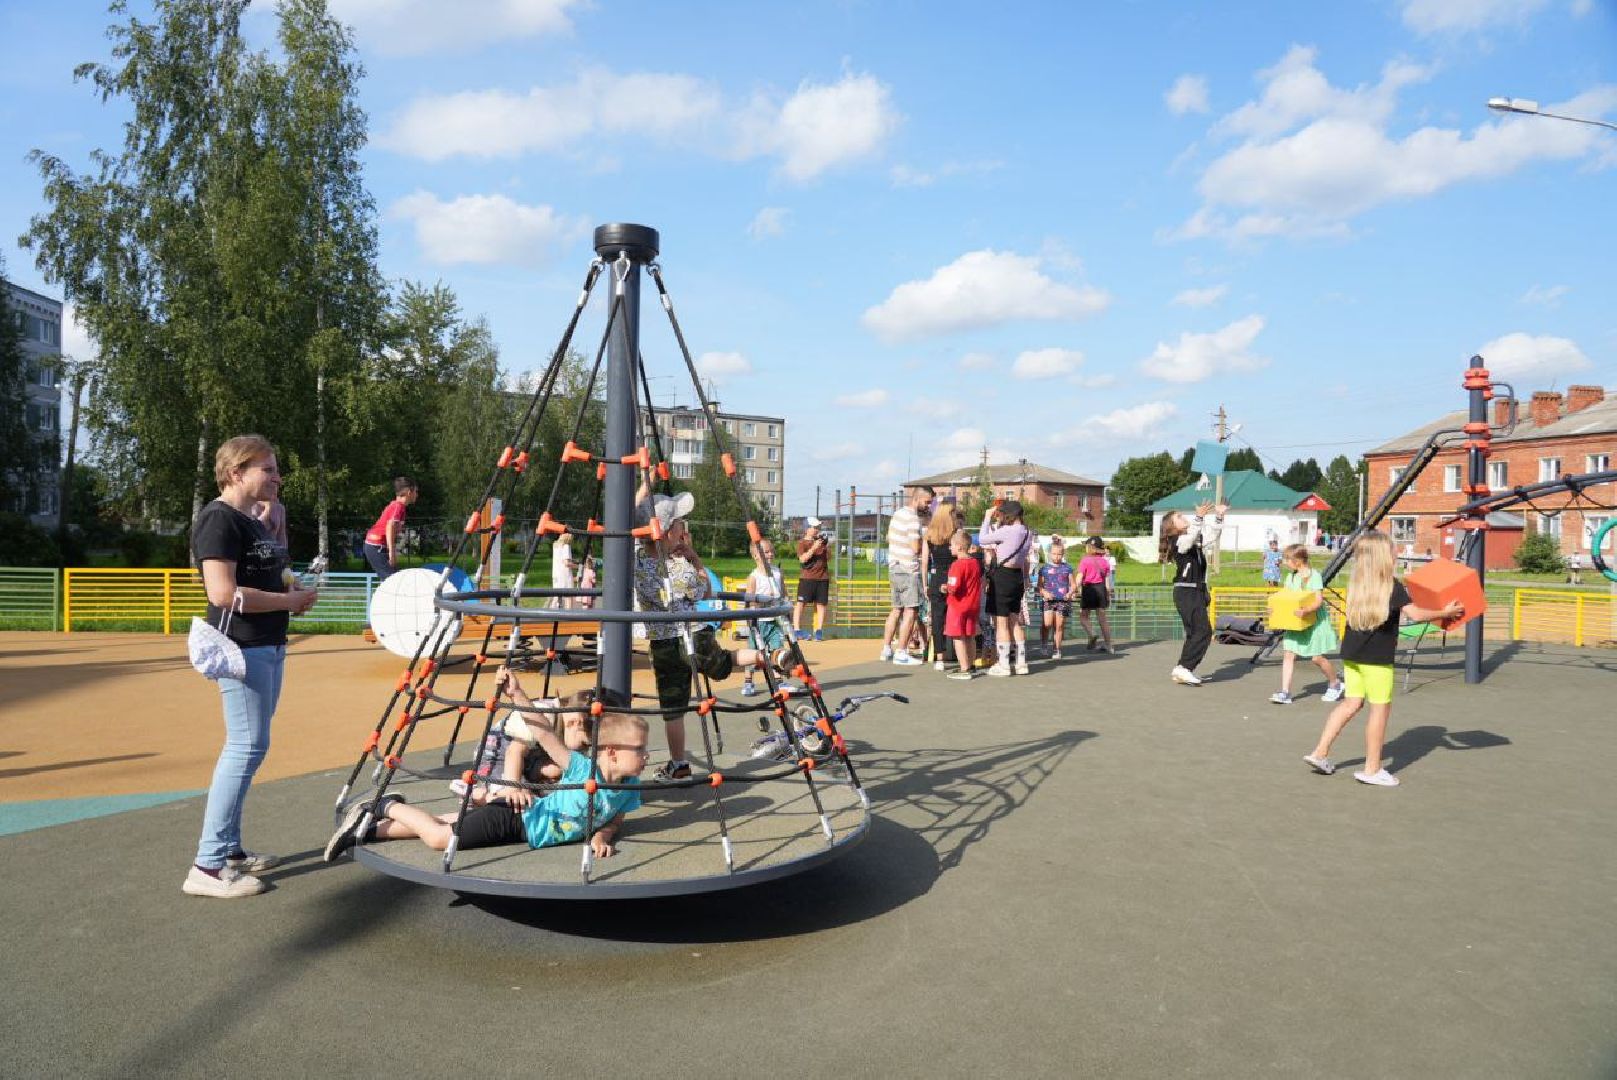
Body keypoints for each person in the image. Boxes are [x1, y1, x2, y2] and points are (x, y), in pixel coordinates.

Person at [183, 435, 319, 899]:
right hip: (241, 648)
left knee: (251, 747)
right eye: (268, 468)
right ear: (237, 472)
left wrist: (293, 589)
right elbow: (222, 593)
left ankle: (231, 852)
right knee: (245, 747)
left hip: (268, 643)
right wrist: (287, 599)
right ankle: (208, 864)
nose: (277, 477)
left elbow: (267, 572)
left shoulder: (253, 520)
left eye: (276, 468)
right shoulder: (219, 519)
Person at [326, 674, 646, 859]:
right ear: (613, 752)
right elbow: (543, 733)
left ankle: (366, 830)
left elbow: (614, 822)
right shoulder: (581, 769)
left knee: (448, 821)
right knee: (440, 838)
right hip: (515, 818)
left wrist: (602, 837)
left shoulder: (629, 787)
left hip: (527, 832)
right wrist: (518, 693)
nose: (646, 756)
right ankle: (384, 805)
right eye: (640, 750)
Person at [1303, 531, 1461, 786]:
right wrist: (1446, 611)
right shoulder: (1392, 585)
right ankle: (1372, 769)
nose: (1396, 553)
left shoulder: (1356, 584)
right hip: (1377, 658)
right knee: (1380, 709)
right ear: (1382, 557)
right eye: (1393, 550)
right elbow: (1417, 615)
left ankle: (1320, 752)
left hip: (1352, 654)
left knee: (1351, 703)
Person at [633, 481, 766, 781]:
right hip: (693, 635)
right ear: (669, 533)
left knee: (673, 707)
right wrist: (694, 557)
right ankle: (765, 656)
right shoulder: (681, 567)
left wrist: (643, 486)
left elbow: (633, 524)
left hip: (663, 644)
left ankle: (678, 763)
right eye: (680, 525)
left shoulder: (638, 561)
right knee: (721, 664)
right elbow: (704, 591)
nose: (684, 530)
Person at [1161, 500, 1226, 686]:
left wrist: (1219, 516)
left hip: (1195, 592)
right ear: (1172, 526)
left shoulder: (1194, 542)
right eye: (1179, 517)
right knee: (1204, 631)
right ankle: (1184, 668)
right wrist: (1198, 518)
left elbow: (1212, 536)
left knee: (1195, 632)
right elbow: (1188, 540)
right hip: (1186, 592)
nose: (1184, 518)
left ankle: (1183, 668)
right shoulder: (1178, 541)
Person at [1270, 544, 1343, 705]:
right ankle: (1285, 692)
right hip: (1295, 622)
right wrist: (1274, 607)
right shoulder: (1291, 577)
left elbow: (1318, 600)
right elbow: (1285, 597)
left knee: (1317, 658)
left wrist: (1307, 610)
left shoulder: (1314, 576)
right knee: (1289, 654)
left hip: (1314, 622)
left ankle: (1335, 683)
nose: (1285, 562)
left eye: (1288, 559)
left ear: (1298, 561)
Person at [978, 499, 1034, 676]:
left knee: (1001, 622)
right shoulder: (1027, 532)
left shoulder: (1007, 531)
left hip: (1002, 576)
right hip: (1017, 577)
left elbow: (982, 539)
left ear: (1008, 515)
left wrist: (987, 517)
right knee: (1014, 621)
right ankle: (1021, 662)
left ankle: (1003, 665)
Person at [879, 486, 932, 666]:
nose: (928, 506)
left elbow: (888, 538)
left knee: (896, 609)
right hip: (909, 569)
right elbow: (916, 547)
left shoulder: (898, 514)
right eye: (927, 502)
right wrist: (924, 537)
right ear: (917, 499)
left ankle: (886, 648)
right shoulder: (912, 518)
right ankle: (901, 651)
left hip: (894, 567)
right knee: (912, 610)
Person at [741, 538, 787, 697]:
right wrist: (753, 614)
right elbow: (750, 600)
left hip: (775, 620)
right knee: (754, 653)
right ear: (756, 556)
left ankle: (780, 681)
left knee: (777, 649)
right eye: (766, 552)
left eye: (771, 551)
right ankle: (748, 681)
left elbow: (785, 594)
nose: (770, 554)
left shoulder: (778, 573)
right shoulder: (754, 577)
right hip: (758, 622)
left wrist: (786, 606)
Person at [922, 501, 963, 671]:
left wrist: (925, 585)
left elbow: (924, 562)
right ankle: (959, 654)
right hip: (955, 578)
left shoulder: (929, 536)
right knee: (956, 616)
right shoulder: (956, 535)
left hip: (937, 578)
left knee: (937, 619)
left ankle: (940, 657)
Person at [941, 529, 982, 681]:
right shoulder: (975, 563)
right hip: (973, 604)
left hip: (958, 606)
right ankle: (971, 665)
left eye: (951, 545)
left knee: (958, 637)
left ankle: (964, 668)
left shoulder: (957, 565)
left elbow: (953, 587)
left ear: (959, 546)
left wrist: (944, 587)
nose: (949, 548)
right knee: (970, 635)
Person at [362, 476, 417, 580]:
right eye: (416, 491)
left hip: (376, 547)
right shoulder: (398, 506)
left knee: (392, 579)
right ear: (409, 492)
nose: (417, 495)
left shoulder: (397, 506)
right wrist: (392, 552)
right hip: (376, 547)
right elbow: (390, 526)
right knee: (392, 581)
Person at [1036, 537, 1075, 659]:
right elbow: (1039, 586)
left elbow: (1073, 584)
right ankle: (1044, 644)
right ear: (1049, 554)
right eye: (1054, 554)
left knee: (1059, 625)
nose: (1057, 556)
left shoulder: (1067, 568)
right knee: (1047, 624)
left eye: (1059, 554)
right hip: (1048, 600)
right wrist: (1044, 592)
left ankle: (1056, 649)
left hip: (1062, 600)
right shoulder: (1044, 569)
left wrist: (1070, 593)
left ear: (1063, 554)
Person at [793, 518, 831, 640]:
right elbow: (802, 559)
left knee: (821, 605)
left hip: (823, 578)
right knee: (801, 604)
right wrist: (813, 548)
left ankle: (818, 630)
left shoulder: (820, 542)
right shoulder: (802, 543)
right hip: (807, 578)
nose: (816, 530)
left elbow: (828, 558)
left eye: (817, 527)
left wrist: (826, 545)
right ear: (807, 529)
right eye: (814, 527)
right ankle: (797, 630)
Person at [1076, 536, 1115, 654]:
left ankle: (1092, 634)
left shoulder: (1085, 560)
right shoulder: (1105, 562)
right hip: (1101, 590)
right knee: (1103, 619)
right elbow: (1108, 582)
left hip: (1089, 589)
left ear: (1090, 548)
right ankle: (1109, 645)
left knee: (1083, 616)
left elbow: (1079, 578)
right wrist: (1108, 595)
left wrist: (1076, 589)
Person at [551, 533, 576, 609]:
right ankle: (569, 616)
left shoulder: (555, 546)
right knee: (569, 596)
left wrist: (573, 560)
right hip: (565, 574)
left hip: (556, 573)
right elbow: (566, 563)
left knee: (556, 596)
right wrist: (578, 566)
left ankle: (551, 612)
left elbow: (560, 559)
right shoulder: (566, 546)